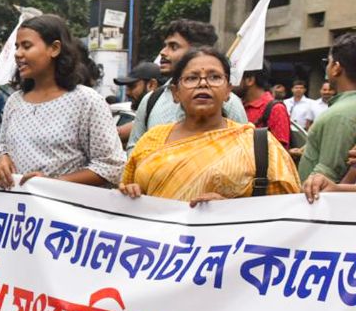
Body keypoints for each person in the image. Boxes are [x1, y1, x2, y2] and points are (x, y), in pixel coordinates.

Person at [121, 48, 300, 204]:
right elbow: (125, 188)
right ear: (176, 93)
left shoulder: (257, 144)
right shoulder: (151, 139)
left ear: (228, 91)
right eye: (191, 78)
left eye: (214, 77)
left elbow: (285, 209)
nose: (203, 83)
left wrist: (230, 210)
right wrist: (130, 194)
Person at [0, 14, 125, 190]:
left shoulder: (87, 101)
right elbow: (4, 147)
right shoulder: (14, 101)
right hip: (17, 212)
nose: (18, 54)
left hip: (64, 212)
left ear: (54, 49)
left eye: (26, 46)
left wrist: (55, 182)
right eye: (17, 47)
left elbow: (111, 166)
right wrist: (2, 158)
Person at [127, 20, 247, 150]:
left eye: (173, 47)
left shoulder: (230, 103)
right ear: (175, 93)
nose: (163, 52)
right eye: (165, 45)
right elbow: (135, 147)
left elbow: (244, 149)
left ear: (197, 51)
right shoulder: (151, 100)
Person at [299, 33, 356, 189]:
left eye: (328, 62)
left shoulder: (340, 115)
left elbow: (323, 179)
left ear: (336, 68)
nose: (327, 67)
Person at [236, 61, 291, 147]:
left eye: (236, 77)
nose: (231, 83)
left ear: (250, 80)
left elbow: (280, 153)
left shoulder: (276, 109)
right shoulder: (237, 106)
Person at [113, 61, 161, 144]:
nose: (127, 93)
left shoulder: (160, 115)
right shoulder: (145, 115)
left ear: (151, 85)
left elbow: (116, 135)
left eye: (132, 86)